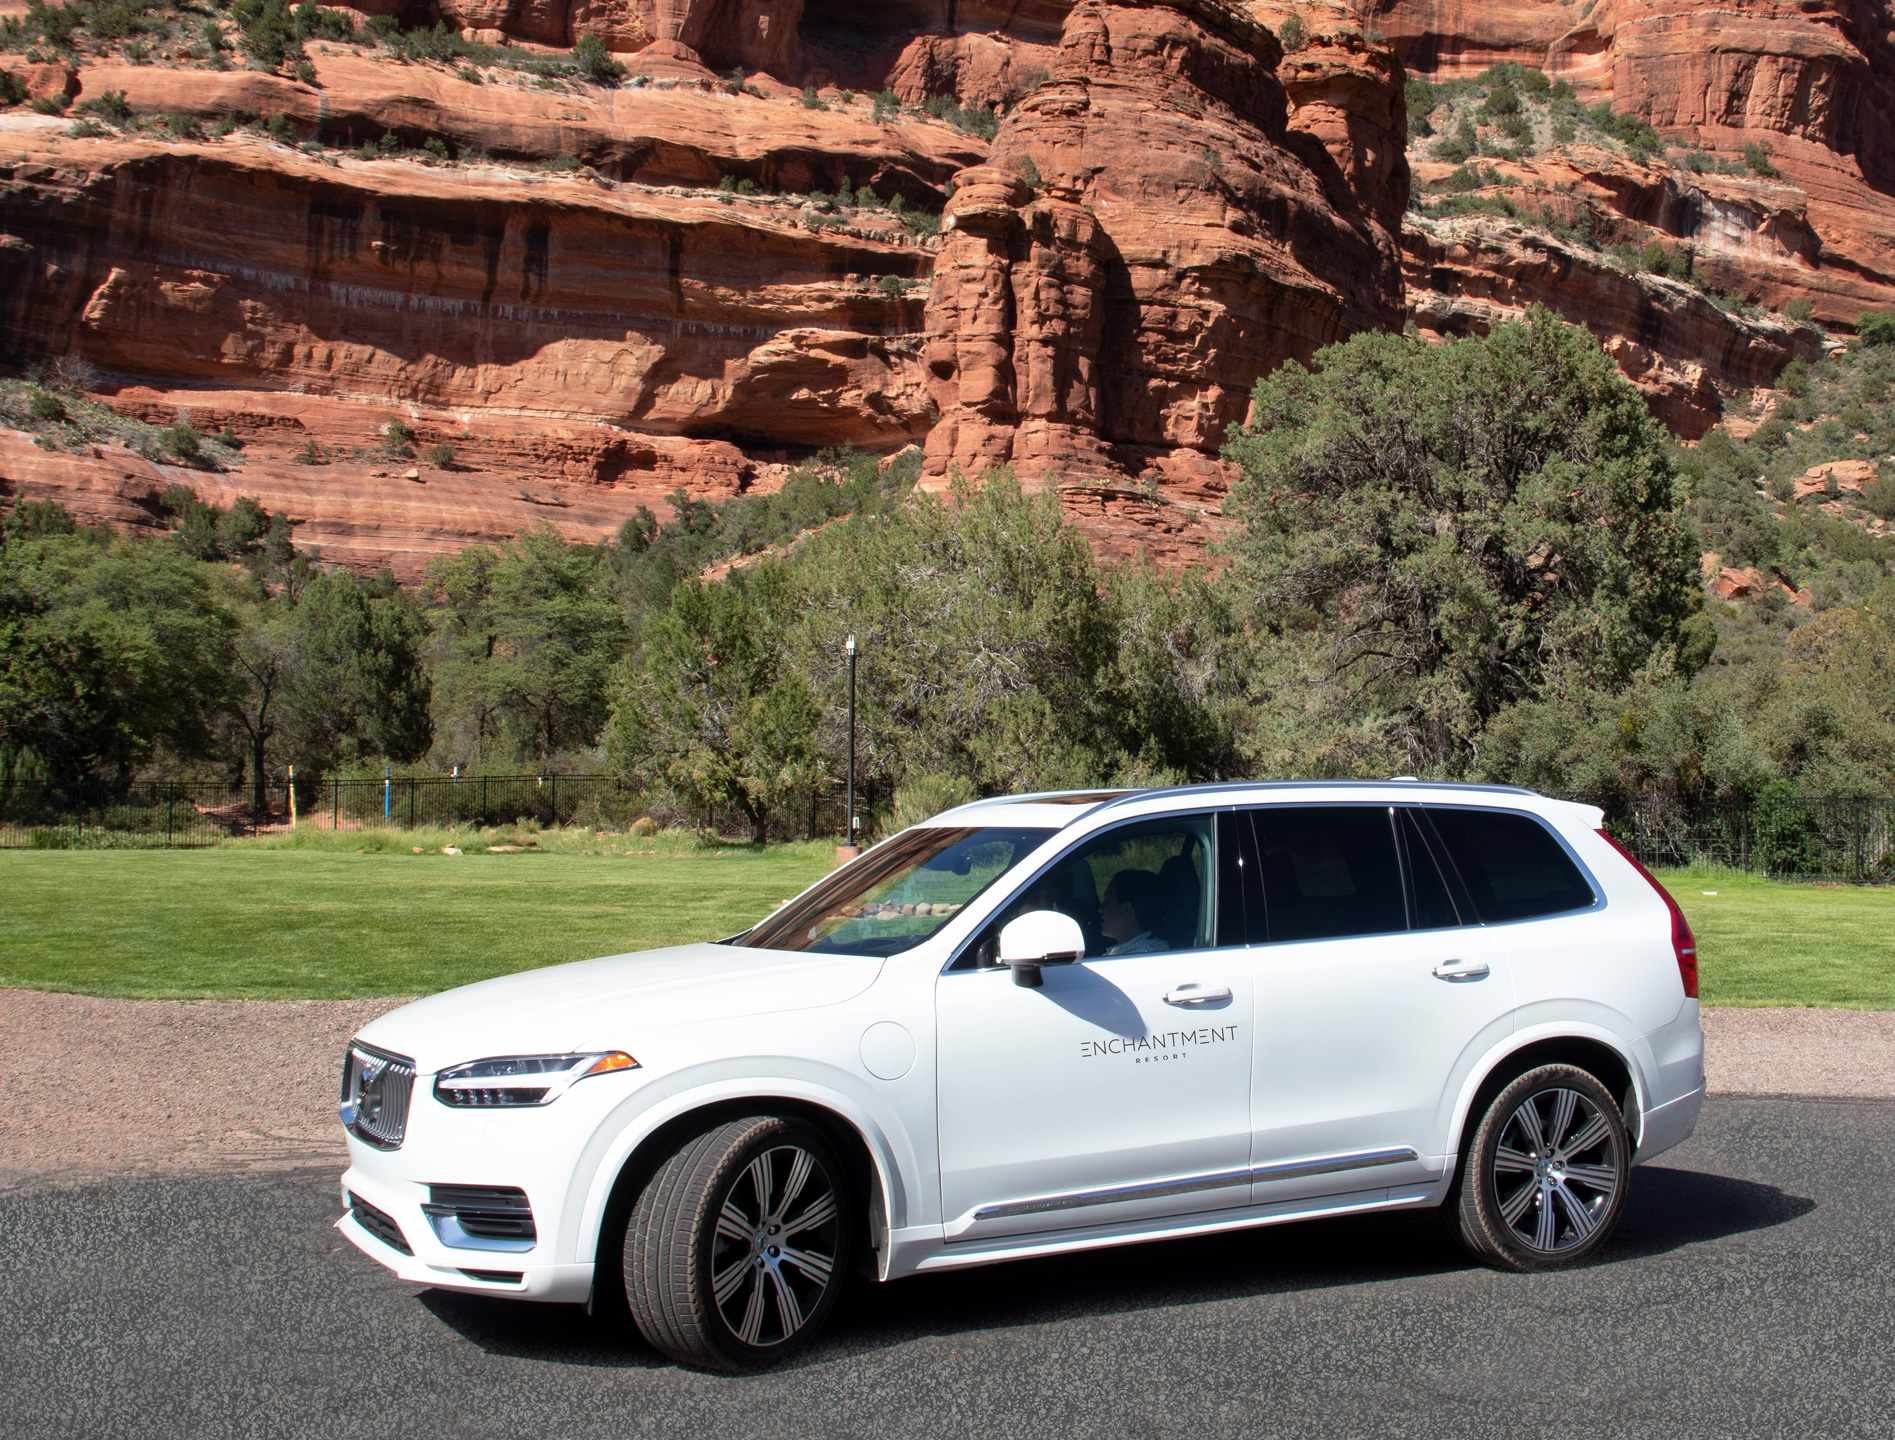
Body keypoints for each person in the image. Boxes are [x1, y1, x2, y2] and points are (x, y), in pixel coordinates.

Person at [1100, 869, 1165, 955]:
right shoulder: (1132, 952)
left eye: (1107, 902)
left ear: (1126, 909)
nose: (1100, 909)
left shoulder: (1145, 954)